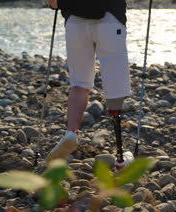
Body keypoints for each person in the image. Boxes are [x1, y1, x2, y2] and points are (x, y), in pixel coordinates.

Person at [45, 0, 132, 167]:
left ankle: (71, 133)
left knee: (79, 83)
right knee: (115, 82)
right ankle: (120, 158)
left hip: (76, 24)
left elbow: (54, 3)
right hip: (110, 20)